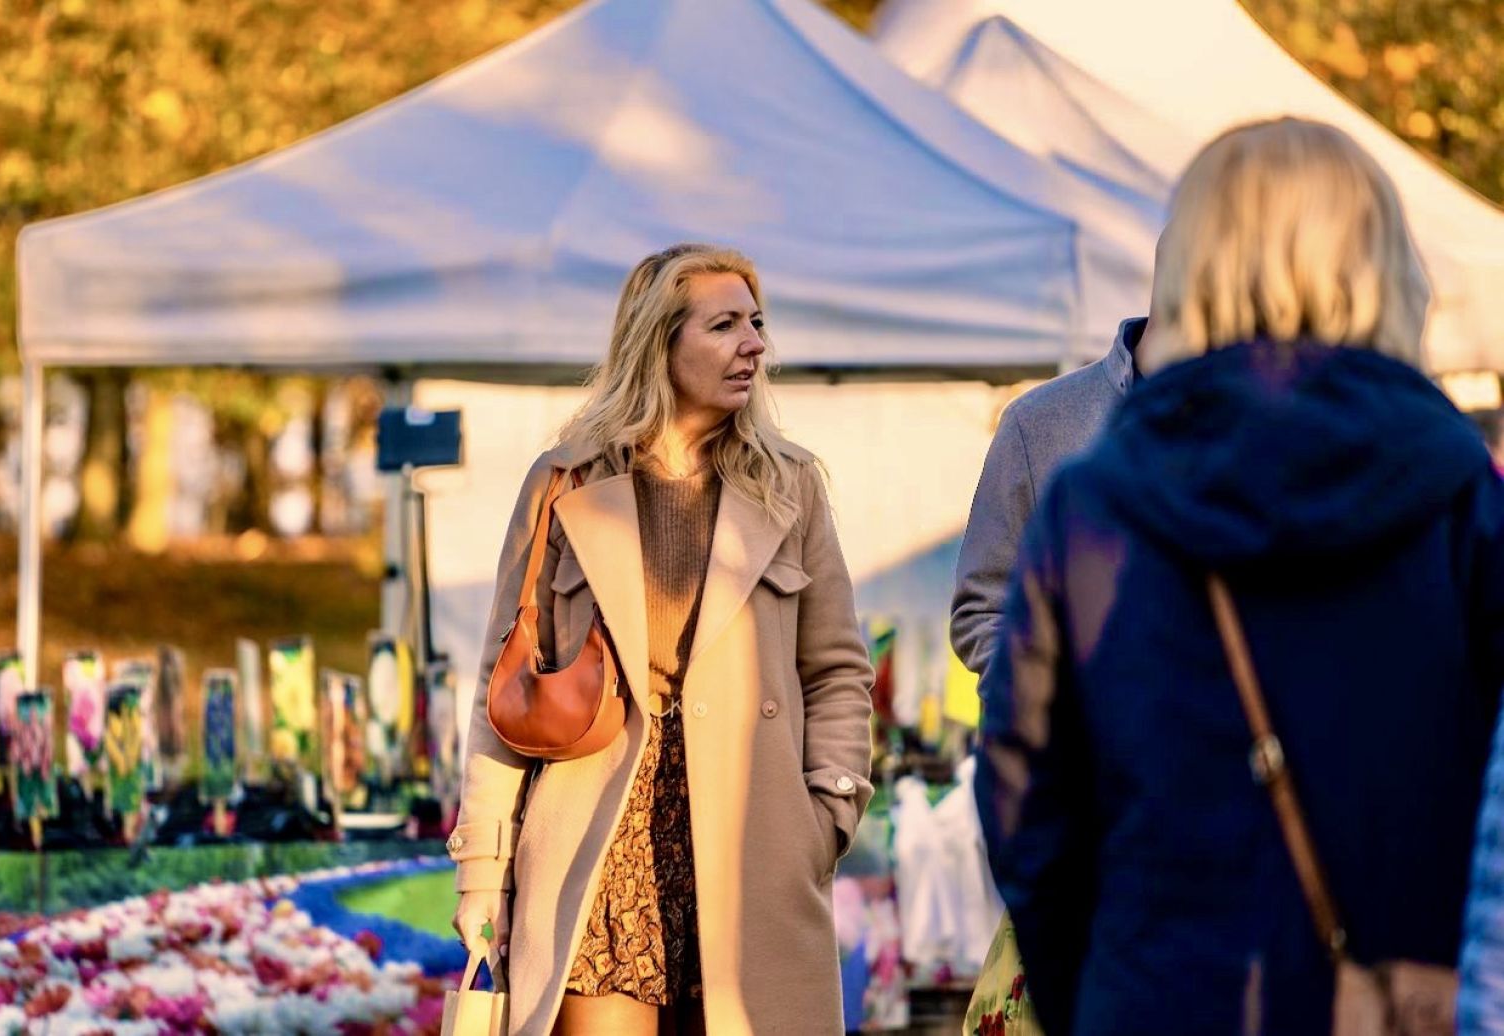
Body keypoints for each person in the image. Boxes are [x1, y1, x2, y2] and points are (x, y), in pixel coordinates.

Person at [979, 117, 1504, 1034]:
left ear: (1189, 263)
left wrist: (1089, 990)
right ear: (1382, 262)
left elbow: (1025, 792)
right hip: (1399, 996)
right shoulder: (1459, 487)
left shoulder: (1096, 498)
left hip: (1155, 990)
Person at [447, 243, 875, 1036]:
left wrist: (824, 817)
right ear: (660, 344)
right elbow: (500, 689)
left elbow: (838, 672)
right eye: (724, 325)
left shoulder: (791, 486)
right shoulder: (565, 483)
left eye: (756, 323)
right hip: (595, 852)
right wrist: (482, 874)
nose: (754, 344)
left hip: (754, 848)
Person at [951, 315, 1144, 814]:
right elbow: (983, 607)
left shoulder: (1269, 424)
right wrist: (1041, 716)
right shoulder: (1041, 424)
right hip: (1083, 808)